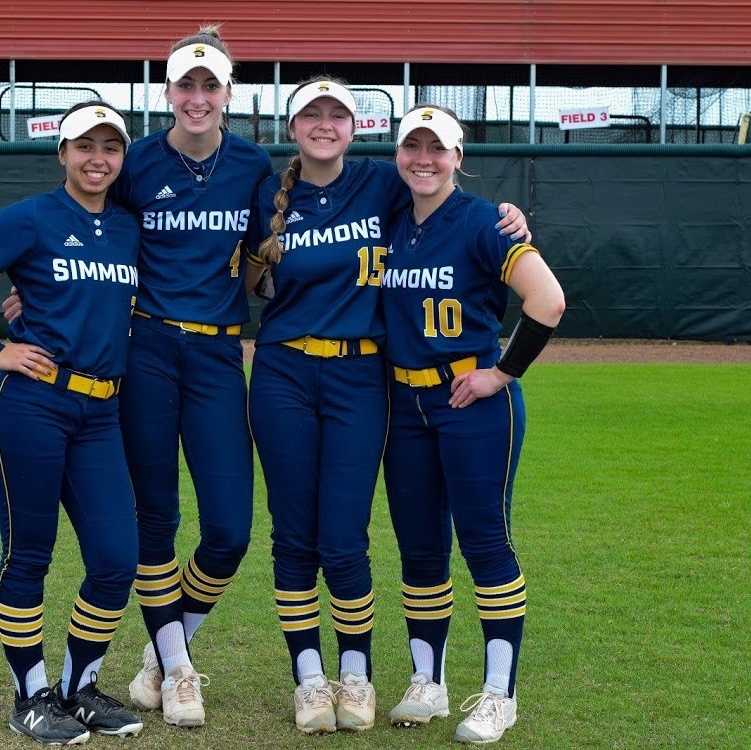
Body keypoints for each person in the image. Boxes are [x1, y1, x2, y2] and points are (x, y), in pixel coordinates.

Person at [3, 26, 273, 728]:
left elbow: (272, 246)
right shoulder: (132, 162)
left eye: (209, 85)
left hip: (217, 355)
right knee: (155, 522)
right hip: (145, 352)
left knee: (229, 530)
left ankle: (162, 651)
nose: (197, 97)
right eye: (185, 84)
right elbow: (77, 220)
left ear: (228, 95)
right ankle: (178, 670)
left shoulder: (252, 165)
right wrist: (32, 292)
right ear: (168, 91)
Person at [243, 79, 530, 735]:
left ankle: (358, 675)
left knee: (345, 538)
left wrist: (505, 216)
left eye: (336, 113)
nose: (323, 124)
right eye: (310, 113)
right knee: (295, 536)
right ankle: (309, 681)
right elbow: (200, 258)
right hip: (285, 369)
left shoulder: (382, 183)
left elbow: (449, 197)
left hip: (361, 376)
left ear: (355, 126)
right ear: (293, 126)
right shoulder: (263, 191)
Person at [0, 101, 145, 745]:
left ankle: (79, 688)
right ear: (62, 154)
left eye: (110, 147)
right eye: (84, 146)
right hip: (31, 404)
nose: (97, 158)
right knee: (29, 555)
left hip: (101, 409)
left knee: (115, 559)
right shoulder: (33, 215)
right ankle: (29, 696)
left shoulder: (130, 227)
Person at [380, 104, 565, 744]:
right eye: (413, 148)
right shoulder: (390, 222)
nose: (424, 159)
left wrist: (502, 373)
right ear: (398, 154)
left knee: (484, 542)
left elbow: (548, 301)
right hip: (405, 407)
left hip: (473, 402)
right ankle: (427, 683)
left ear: (459, 157)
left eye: (438, 149)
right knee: (421, 550)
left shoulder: (486, 221)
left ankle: (497, 694)